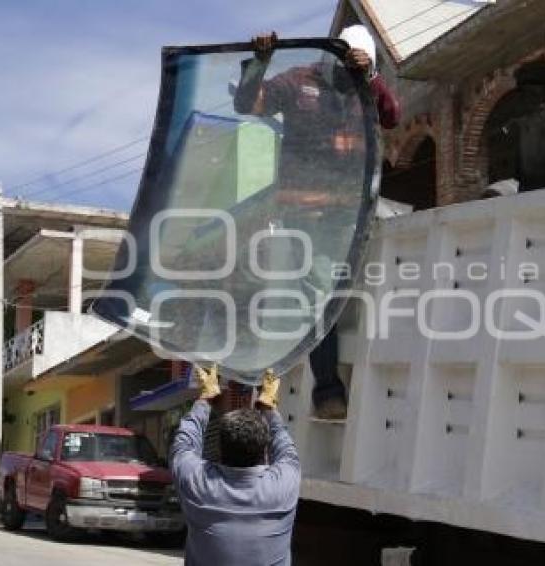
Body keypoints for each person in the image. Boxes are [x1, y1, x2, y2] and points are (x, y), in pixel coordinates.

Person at [235, 25, 401, 420]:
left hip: (351, 211)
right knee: (319, 296)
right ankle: (327, 390)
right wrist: (259, 63)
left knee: (332, 295)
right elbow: (248, 104)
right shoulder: (299, 81)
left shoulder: (366, 91)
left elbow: (393, 116)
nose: (349, 70)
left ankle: (328, 385)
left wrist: (372, 79)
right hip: (304, 212)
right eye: (345, 61)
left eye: (359, 64)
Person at [170, 366, 299, 566]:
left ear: (220, 450)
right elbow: (285, 446)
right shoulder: (284, 485)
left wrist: (206, 398)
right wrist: (268, 406)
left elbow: (183, 445)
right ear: (264, 452)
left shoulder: (200, 485)